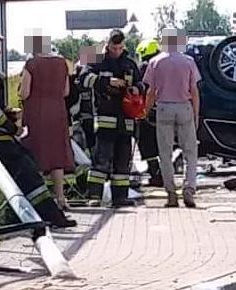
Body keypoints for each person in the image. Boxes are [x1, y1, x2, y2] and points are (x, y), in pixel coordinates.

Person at [0, 26, 76, 228]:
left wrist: (10, 113)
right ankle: (51, 216)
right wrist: (12, 127)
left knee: (28, 163)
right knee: (26, 168)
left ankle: (24, 215)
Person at [80, 29, 144, 208]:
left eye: (120, 48)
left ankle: (120, 197)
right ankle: (94, 196)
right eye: (114, 48)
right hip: (105, 118)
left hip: (126, 120)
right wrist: (107, 82)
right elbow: (83, 79)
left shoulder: (130, 64)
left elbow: (141, 83)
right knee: (101, 160)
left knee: (122, 162)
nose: (117, 51)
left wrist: (137, 89)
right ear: (107, 45)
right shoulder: (96, 61)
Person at [143, 28, 201, 208]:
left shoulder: (155, 62)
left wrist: (146, 111)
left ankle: (170, 193)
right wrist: (196, 114)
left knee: (165, 153)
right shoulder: (188, 61)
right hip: (184, 107)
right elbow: (194, 91)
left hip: (164, 108)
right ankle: (189, 188)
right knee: (190, 152)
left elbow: (151, 91)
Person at [20, 34, 76, 211]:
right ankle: (60, 197)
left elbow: (24, 93)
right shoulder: (62, 63)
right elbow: (66, 91)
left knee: (36, 153)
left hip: (37, 113)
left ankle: (39, 199)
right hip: (58, 112)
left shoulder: (31, 64)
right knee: (56, 155)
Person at [134, 39, 163, 187]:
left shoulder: (145, 67)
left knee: (147, 144)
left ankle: (155, 174)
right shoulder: (164, 64)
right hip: (166, 109)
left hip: (149, 112)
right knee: (164, 143)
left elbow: (143, 89)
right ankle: (164, 173)